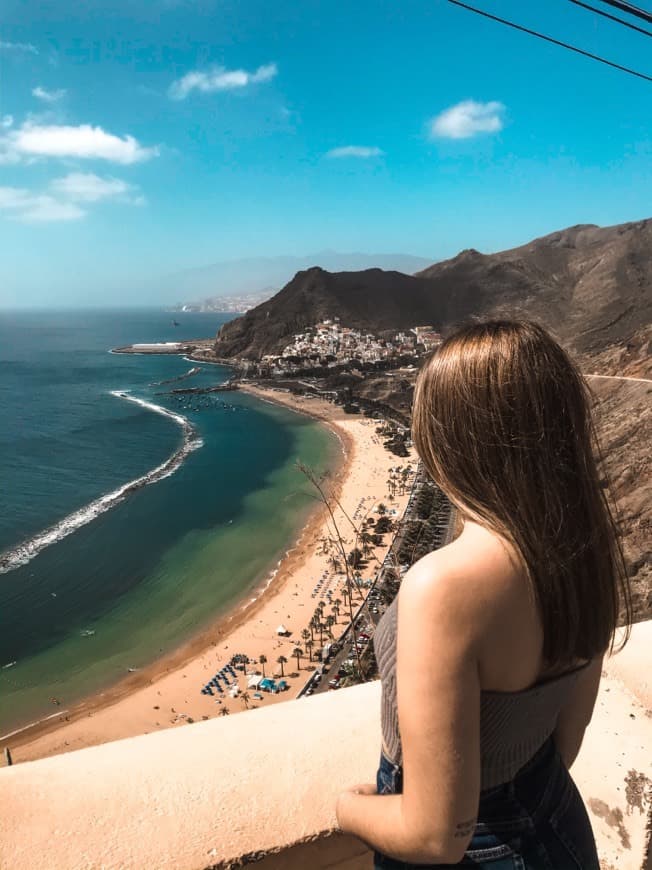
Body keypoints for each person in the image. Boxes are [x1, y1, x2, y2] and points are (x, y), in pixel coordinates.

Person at [335, 320, 631, 868]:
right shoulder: (583, 553)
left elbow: (435, 835)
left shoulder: (443, 586)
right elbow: (567, 737)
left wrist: (346, 808)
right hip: (556, 824)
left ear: (453, 440)